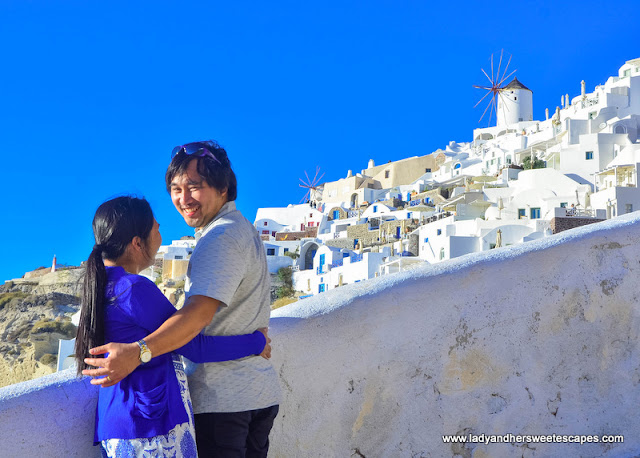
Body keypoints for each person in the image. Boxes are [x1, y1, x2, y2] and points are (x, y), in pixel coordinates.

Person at [83, 141, 281, 457]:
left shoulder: (221, 237)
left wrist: (138, 352)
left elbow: (193, 321)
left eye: (194, 187)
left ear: (223, 187)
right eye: (176, 189)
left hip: (225, 402)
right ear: (137, 242)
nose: (183, 198)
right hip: (232, 400)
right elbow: (193, 339)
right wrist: (256, 343)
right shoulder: (239, 230)